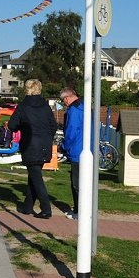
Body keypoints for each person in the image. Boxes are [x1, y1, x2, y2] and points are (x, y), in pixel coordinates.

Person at [8, 79, 58, 219]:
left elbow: (12, 125)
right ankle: (27, 206)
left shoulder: (23, 106)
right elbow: (53, 126)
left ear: (27, 89)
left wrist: (21, 127)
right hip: (44, 145)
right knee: (34, 176)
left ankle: (46, 208)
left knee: (36, 178)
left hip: (30, 145)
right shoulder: (45, 106)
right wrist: (46, 137)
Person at [58, 87, 83, 220]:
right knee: (85, 183)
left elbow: (71, 132)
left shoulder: (73, 111)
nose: (64, 104)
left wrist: (63, 147)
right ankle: (82, 209)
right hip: (88, 150)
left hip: (77, 151)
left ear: (67, 98)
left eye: (63, 101)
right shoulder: (86, 108)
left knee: (76, 183)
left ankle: (79, 211)